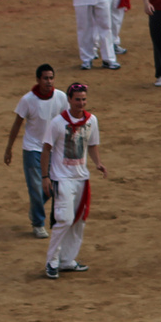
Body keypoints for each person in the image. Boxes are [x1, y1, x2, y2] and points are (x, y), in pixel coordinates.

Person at [42, 81, 111, 279]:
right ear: (69, 100)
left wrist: (98, 163)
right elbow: (46, 148)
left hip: (81, 177)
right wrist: (45, 176)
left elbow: (92, 144)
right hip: (62, 177)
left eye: (84, 99)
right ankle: (51, 261)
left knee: (79, 220)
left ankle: (67, 260)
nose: (81, 103)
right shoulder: (57, 122)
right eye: (77, 99)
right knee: (64, 219)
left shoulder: (92, 120)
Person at [6, 65, 66, 237]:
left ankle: (35, 208)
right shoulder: (28, 100)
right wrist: (9, 148)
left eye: (51, 78)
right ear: (38, 80)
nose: (49, 81)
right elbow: (17, 123)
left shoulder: (61, 97)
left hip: (53, 149)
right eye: (45, 78)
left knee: (54, 186)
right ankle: (38, 223)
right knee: (35, 187)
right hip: (32, 149)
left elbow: (66, 122)